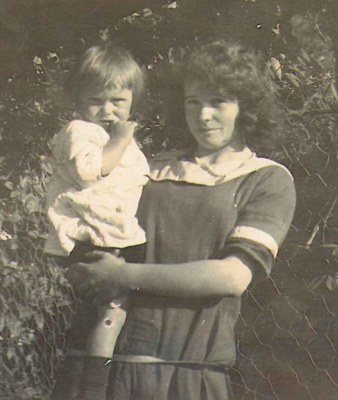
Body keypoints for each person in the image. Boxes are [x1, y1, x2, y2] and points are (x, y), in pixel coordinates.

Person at [66, 40, 297, 400]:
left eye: (217, 101)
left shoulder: (264, 178)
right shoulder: (144, 168)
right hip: (97, 363)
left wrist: (122, 275)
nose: (203, 115)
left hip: (183, 373)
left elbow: (232, 276)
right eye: (193, 102)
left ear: (245, 107)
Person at [46, 44, 149, 400]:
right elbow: (91, 170)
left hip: (114, 232)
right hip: (92, 236)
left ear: (133, 99)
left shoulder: (116, 139)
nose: (107, 110)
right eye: (96, 100)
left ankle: (95, 379)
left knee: (114, 311)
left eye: (117, 101)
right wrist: (121, 139)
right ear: (78, 100)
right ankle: (92, 386)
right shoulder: (81, 131)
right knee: (110, 308)